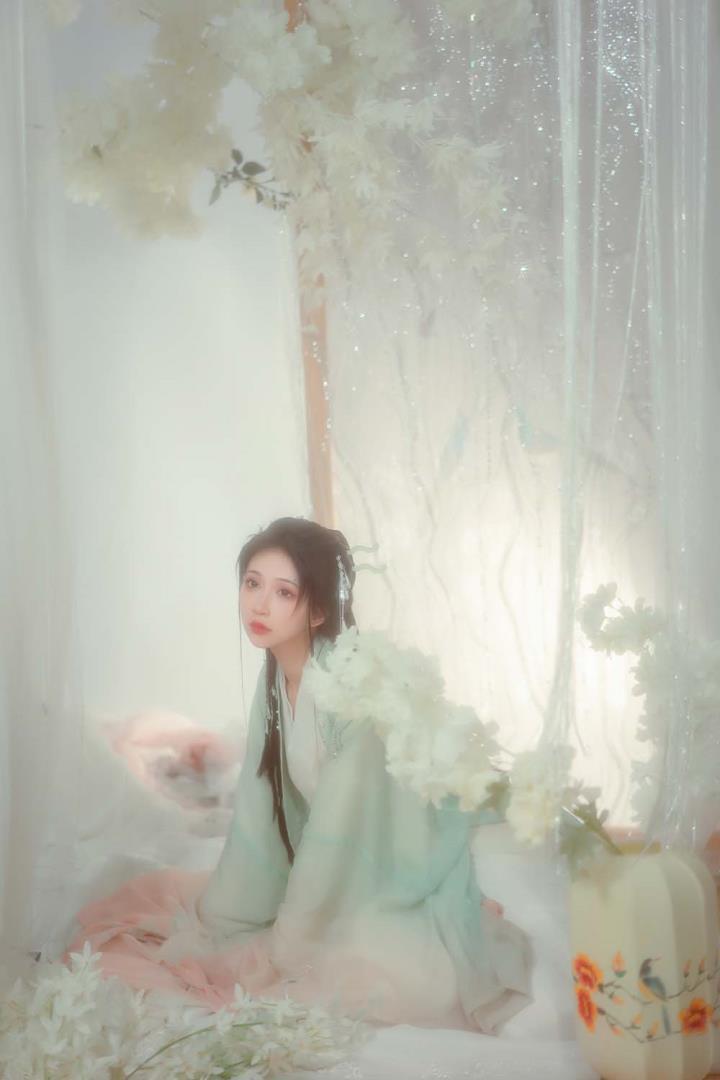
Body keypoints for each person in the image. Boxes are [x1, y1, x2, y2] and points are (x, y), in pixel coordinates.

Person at [66, 517, 531, 1032]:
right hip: (351, 845)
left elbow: (335, 830)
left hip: (409, 844)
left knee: (379, 966)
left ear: (319, 610)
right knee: (212, 921)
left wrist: (288, 942)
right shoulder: (275, 680)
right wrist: (229, 911)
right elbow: (259, 809)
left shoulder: (349, 690)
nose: (259, 605)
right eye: (252, 584)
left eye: (284, 592)